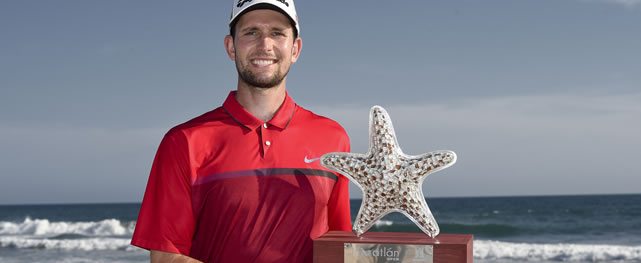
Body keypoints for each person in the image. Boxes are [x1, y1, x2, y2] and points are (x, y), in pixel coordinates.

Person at [130, 1, 352, 262]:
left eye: (277, 33)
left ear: (295, 49)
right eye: (251, 32)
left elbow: (340, 248)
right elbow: (167, 258)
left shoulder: (333, 138)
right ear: (230, 47)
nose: (265, 44)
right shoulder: (184, 141)